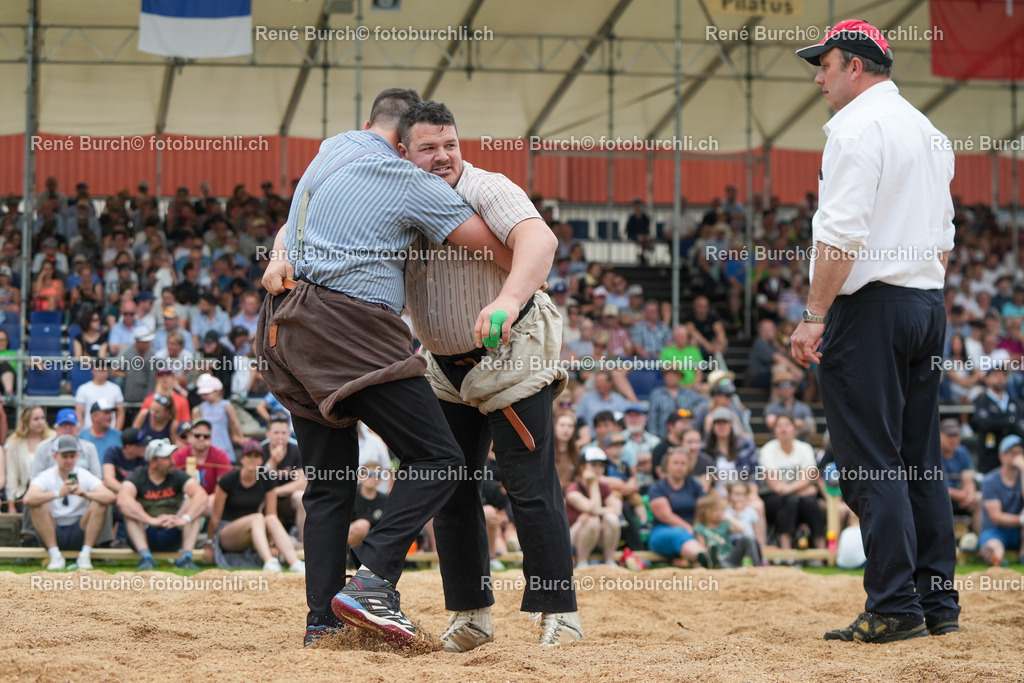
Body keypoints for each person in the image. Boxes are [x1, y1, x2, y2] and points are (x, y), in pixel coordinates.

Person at [256, 87, 518, 648]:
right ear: (404, 145)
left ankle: (321, 625)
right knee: (441, 457)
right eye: (427, 145)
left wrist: (279, 255)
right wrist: (524, 271)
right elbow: (499, 248)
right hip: (351, 328)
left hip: (285, 326)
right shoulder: (407, 178)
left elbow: (288, 223)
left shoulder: (331, 150)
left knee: (328, 486)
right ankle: (373, 578)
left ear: (369, 121)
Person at [790, 20, 960, 642]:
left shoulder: (857, 128)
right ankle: (936, 601)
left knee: (871, 461)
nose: (820, 77)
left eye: (826, 65)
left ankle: (893, 604)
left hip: (873, 309)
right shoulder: (929, 130)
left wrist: (815, 316)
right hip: (925, 301)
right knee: (919, 458)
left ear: (855, 66)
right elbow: (943, 238)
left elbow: (841, 232)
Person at [397, 100, 579, 649]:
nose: (443, 156)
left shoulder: (487, 186)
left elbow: (540, 241)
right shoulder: (399, 200)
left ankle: (558, 613)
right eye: (428, 147)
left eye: (449, 144)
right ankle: (472, 614)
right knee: (448, 488)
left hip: (513, 355)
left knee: (528, 487)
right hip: (442, 368)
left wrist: (507, 298)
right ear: (403, 151)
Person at [205, 440, 305, 573]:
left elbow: (272, 515)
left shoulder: (267, 480)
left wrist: (271, 543)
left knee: (268, 518)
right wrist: (209, 544)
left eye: (256, 456)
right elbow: (215, 518)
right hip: (227, 531)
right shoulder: (228, 480)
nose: (252, 460)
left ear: (261, 460)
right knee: (257, 517)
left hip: (255, 530)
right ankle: (269, 562)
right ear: (242, 459)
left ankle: (294, 562)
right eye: (249, 456)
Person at [23, 435, 115, 570]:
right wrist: (58, 493)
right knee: (37, 504)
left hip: (80, 530)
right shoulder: (46, 476)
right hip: (53, 531)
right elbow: (28, 499)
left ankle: (85, 554)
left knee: (99, 502)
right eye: (65, 456)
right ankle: (54, 555)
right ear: (55, 457)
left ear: (77, 456)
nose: (69, 461)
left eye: (72, 456)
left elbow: (110, 497)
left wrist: (86, 494)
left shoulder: (84, 475)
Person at [117, 438, 208, 570]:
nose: (173, 462)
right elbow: (122, 501)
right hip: (146, 532)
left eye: (171, 457)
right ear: (153, 462)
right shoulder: (137, 477)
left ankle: (186, 558)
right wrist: (151, 520)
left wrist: (184, 519)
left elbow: (202, 496)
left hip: (173, 531)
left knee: (192, 502)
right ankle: (145, 558)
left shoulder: (177, 475)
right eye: (166, 458)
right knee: (131, 508)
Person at [758, 414, 826, 551]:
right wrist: (800, 490)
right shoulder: (767, 450)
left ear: (795, 429)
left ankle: (821, 550)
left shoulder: (805, 448)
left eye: (787, 425)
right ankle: (786, 550)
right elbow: (775, 486)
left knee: (811, 502)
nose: (783, 429)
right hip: (773, 498)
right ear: (774, 431)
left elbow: (808, 478)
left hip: (797, 497)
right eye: (779, 426)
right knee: (787, 501)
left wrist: (790, 488)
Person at [646, 446, 711, 568]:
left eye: (683, 463)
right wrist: (689, 528)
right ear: (666, 466)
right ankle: (702, 556)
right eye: (675, 463)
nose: (679, 467)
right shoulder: (658, 488)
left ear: (689, 467)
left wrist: (698, 529)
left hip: (695, 531)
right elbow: (665, 516)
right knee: (680, 534)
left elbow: (705, 509)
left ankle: (700, 561)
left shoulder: (695, 486)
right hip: (663, 531)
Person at [564, 447, 622, 568]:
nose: (598, 469)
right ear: (582, 467)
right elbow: (593, 508)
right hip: (572, 538)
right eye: (593, 465)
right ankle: (582, 562)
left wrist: (597, 512)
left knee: (611, 518)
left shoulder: (604, 487)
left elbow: (616, 509)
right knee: (592, 520)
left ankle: (609, 560)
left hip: (597, 536)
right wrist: (593, 484)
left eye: (601, 466)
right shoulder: (573, 490)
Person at [978, 434, 1024, 567]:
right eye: (1012, 453)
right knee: (994, 550)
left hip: (1018, 531)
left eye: (1020, 452)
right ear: (1002, 456)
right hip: (995, 531)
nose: (1018, 456)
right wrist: (1021, 520)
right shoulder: (990, 481)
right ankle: (997, 559)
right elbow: (996, 517)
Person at [171, 418, 232, 516]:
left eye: (206, 436)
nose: (201, 439)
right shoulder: (179, 455)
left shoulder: (220, 455)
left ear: (211, 438)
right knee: (190, 504)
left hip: (210, 501)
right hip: (184, 500)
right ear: (190, 437)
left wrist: (210, 499)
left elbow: (224, 485)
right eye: (197, 435)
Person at [4, 406, 54, 513]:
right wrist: (11, 505)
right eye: (36, 419)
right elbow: (12, 475)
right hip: (25, 492)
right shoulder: (14, 442)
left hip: (51, 491)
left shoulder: (53, 438)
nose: (40, 422)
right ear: (26, 422)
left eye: (42, 418)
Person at [938, 418, 982, 533]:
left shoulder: (962, 452)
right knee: (941, 500)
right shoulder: (933, 454)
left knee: (979, 499)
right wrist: (962, 495)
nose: (954, 440)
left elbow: (967, 477)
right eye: (949, 436)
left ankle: (977, 539)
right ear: (940, 435)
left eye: (956, 436)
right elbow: (937, 487)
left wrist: (970, 495)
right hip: (941, 496)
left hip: (959, 495)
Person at [694, 495, 761, 568]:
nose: (719, 513)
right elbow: (702, 547)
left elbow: (741, 529)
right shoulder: (700, 528)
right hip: (717, 560)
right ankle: (718, 565)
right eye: (715, 510)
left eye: (720, 510)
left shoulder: (724, 524)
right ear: (704, 512)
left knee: (747, 538)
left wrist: (728, 517)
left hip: (730, 558)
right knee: (719, 563)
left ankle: (757, 564)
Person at [192, 374, 244, 461]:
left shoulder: (226, 406)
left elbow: (234, 422)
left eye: (207, 393)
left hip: (223, 442)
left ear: (217, 391)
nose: (204, 395)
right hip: (207, 444)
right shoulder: (200, 408)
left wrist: (241, 437)